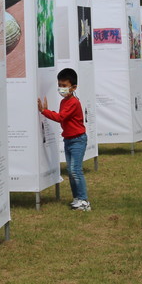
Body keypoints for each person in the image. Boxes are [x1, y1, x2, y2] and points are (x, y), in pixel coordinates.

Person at [38, 68, 90, 211]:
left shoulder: (73, 102)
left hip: (78, 140)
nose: (61, 88)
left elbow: (61, 117)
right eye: (59, 85)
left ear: (73, 87)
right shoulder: (64, 102)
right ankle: (77, 198)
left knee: (75, 170)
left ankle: (84, 201)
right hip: (69, 140)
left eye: (64, 85)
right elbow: (63, 117)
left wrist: (44, 111)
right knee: (71, 170)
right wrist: (49, 112)